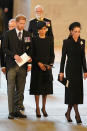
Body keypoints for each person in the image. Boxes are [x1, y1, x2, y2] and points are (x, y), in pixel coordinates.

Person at [2, 14, 32, 119]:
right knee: (11, 89)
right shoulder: (8, 34)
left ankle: (18, 110)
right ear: (16, 22)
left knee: (20, 89)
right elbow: (4, 48)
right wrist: (13, 55)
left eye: (24, 23)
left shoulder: (28, 34)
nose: (22, 25)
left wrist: (29, 59)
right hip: (11, 65)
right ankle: (11, 112)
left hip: (23, 66)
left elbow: (30, 49)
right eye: (21, 23)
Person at [59, 22, 87, 124]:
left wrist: (85, 70)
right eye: (75, 31)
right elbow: (62, 58)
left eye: (79, 32)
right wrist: (61, 72)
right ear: (71, 32)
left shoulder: (82, 42)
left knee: (76, 92)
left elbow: (83, 57)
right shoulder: (66, 42)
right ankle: (77, 114)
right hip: (70, 70)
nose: (77, 33)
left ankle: (67, 113)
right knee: (71, 91)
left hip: (78, 70)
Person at [30, 21, 55, 118]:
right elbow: (32, 53)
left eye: (44, 29)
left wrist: (50, 64)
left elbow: (52, 54)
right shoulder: (34, 39)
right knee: (37, 89)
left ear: (46, 29)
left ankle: (43, 107)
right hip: (37, 67)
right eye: (41, 29)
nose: (42, 31)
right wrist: (38, 63)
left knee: (45, 89)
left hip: (47, 67)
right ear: (38, 30)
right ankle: (37, 107)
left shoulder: (49, 40)